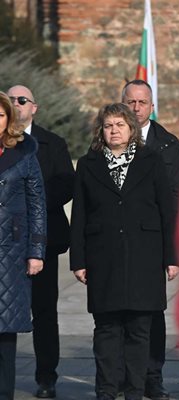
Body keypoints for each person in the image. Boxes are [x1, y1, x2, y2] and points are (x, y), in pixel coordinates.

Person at [69, 103, 179, 400]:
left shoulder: (151, 161)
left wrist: (172, 257)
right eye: (108, 125)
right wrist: (78, 261)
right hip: (103, 257)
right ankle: (106, 389)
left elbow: (166, 212)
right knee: (106, 328)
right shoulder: (88, 164)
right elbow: (79, 214)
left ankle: (134, 390)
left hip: (145, 255)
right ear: (100, 130)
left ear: (132, 129)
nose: (114, 130)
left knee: (139, 330)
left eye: (120, 124)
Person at [7, 84, 75, 399]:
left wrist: (30, 204)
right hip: (6, 246)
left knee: (44, 311)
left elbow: (65, 184)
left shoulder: (52, 143)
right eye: (11, 100)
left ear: (34, 107)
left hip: (42, 241)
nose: (16, 104)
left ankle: (46, 376)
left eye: (22, 100)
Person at [121, 80, 179, 400]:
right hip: (115, 241)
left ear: (151, 105)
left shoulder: (167, 144)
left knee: (151, 311)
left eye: (142, 103)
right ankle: (122, 376)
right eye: (130, 102)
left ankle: (152, 376)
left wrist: (172, 251)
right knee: (116, 311)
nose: (136, 108)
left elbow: (175, 199)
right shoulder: (108, 139)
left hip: (151, 241)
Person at [0, 91, 46, 400]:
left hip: (11, 253)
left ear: (8, 119)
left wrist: (36, 252)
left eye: (0, 115)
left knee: (5, 328)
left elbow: (37, 205)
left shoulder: (25, 151)